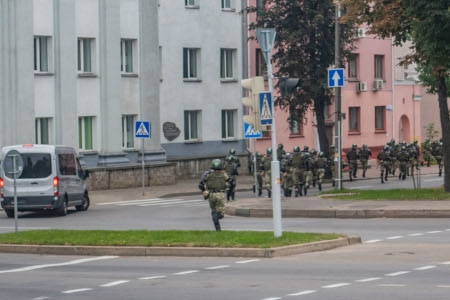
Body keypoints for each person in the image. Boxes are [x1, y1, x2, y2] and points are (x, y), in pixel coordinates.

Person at [202, 159, 230, 231]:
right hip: (220, 194)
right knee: (221, 213)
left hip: (211, 195)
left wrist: (204, 191)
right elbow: (230, 182)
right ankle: (216, 217)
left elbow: (200, 184)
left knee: (213, 211)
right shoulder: (224, 174)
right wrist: (228, 186)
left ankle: (218, 229)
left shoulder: (207, 174)